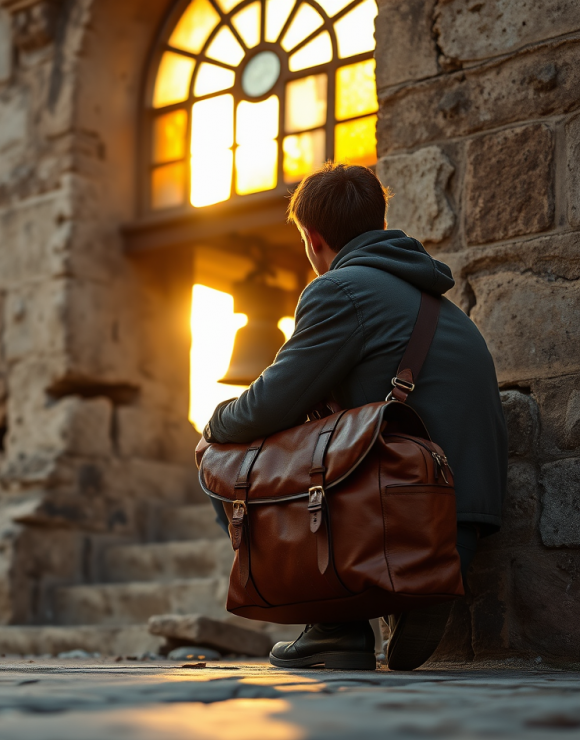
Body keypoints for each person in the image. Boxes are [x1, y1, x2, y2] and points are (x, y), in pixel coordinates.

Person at [196, 163, 508, 671]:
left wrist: (214, 425)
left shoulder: (340, 290)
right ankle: (413, 591)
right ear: (377, 224)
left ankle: (332, 626)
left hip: (409, 508)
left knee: (227, 457)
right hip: (463, 511)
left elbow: (269, 405)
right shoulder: (432, 297)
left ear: (313, 239)